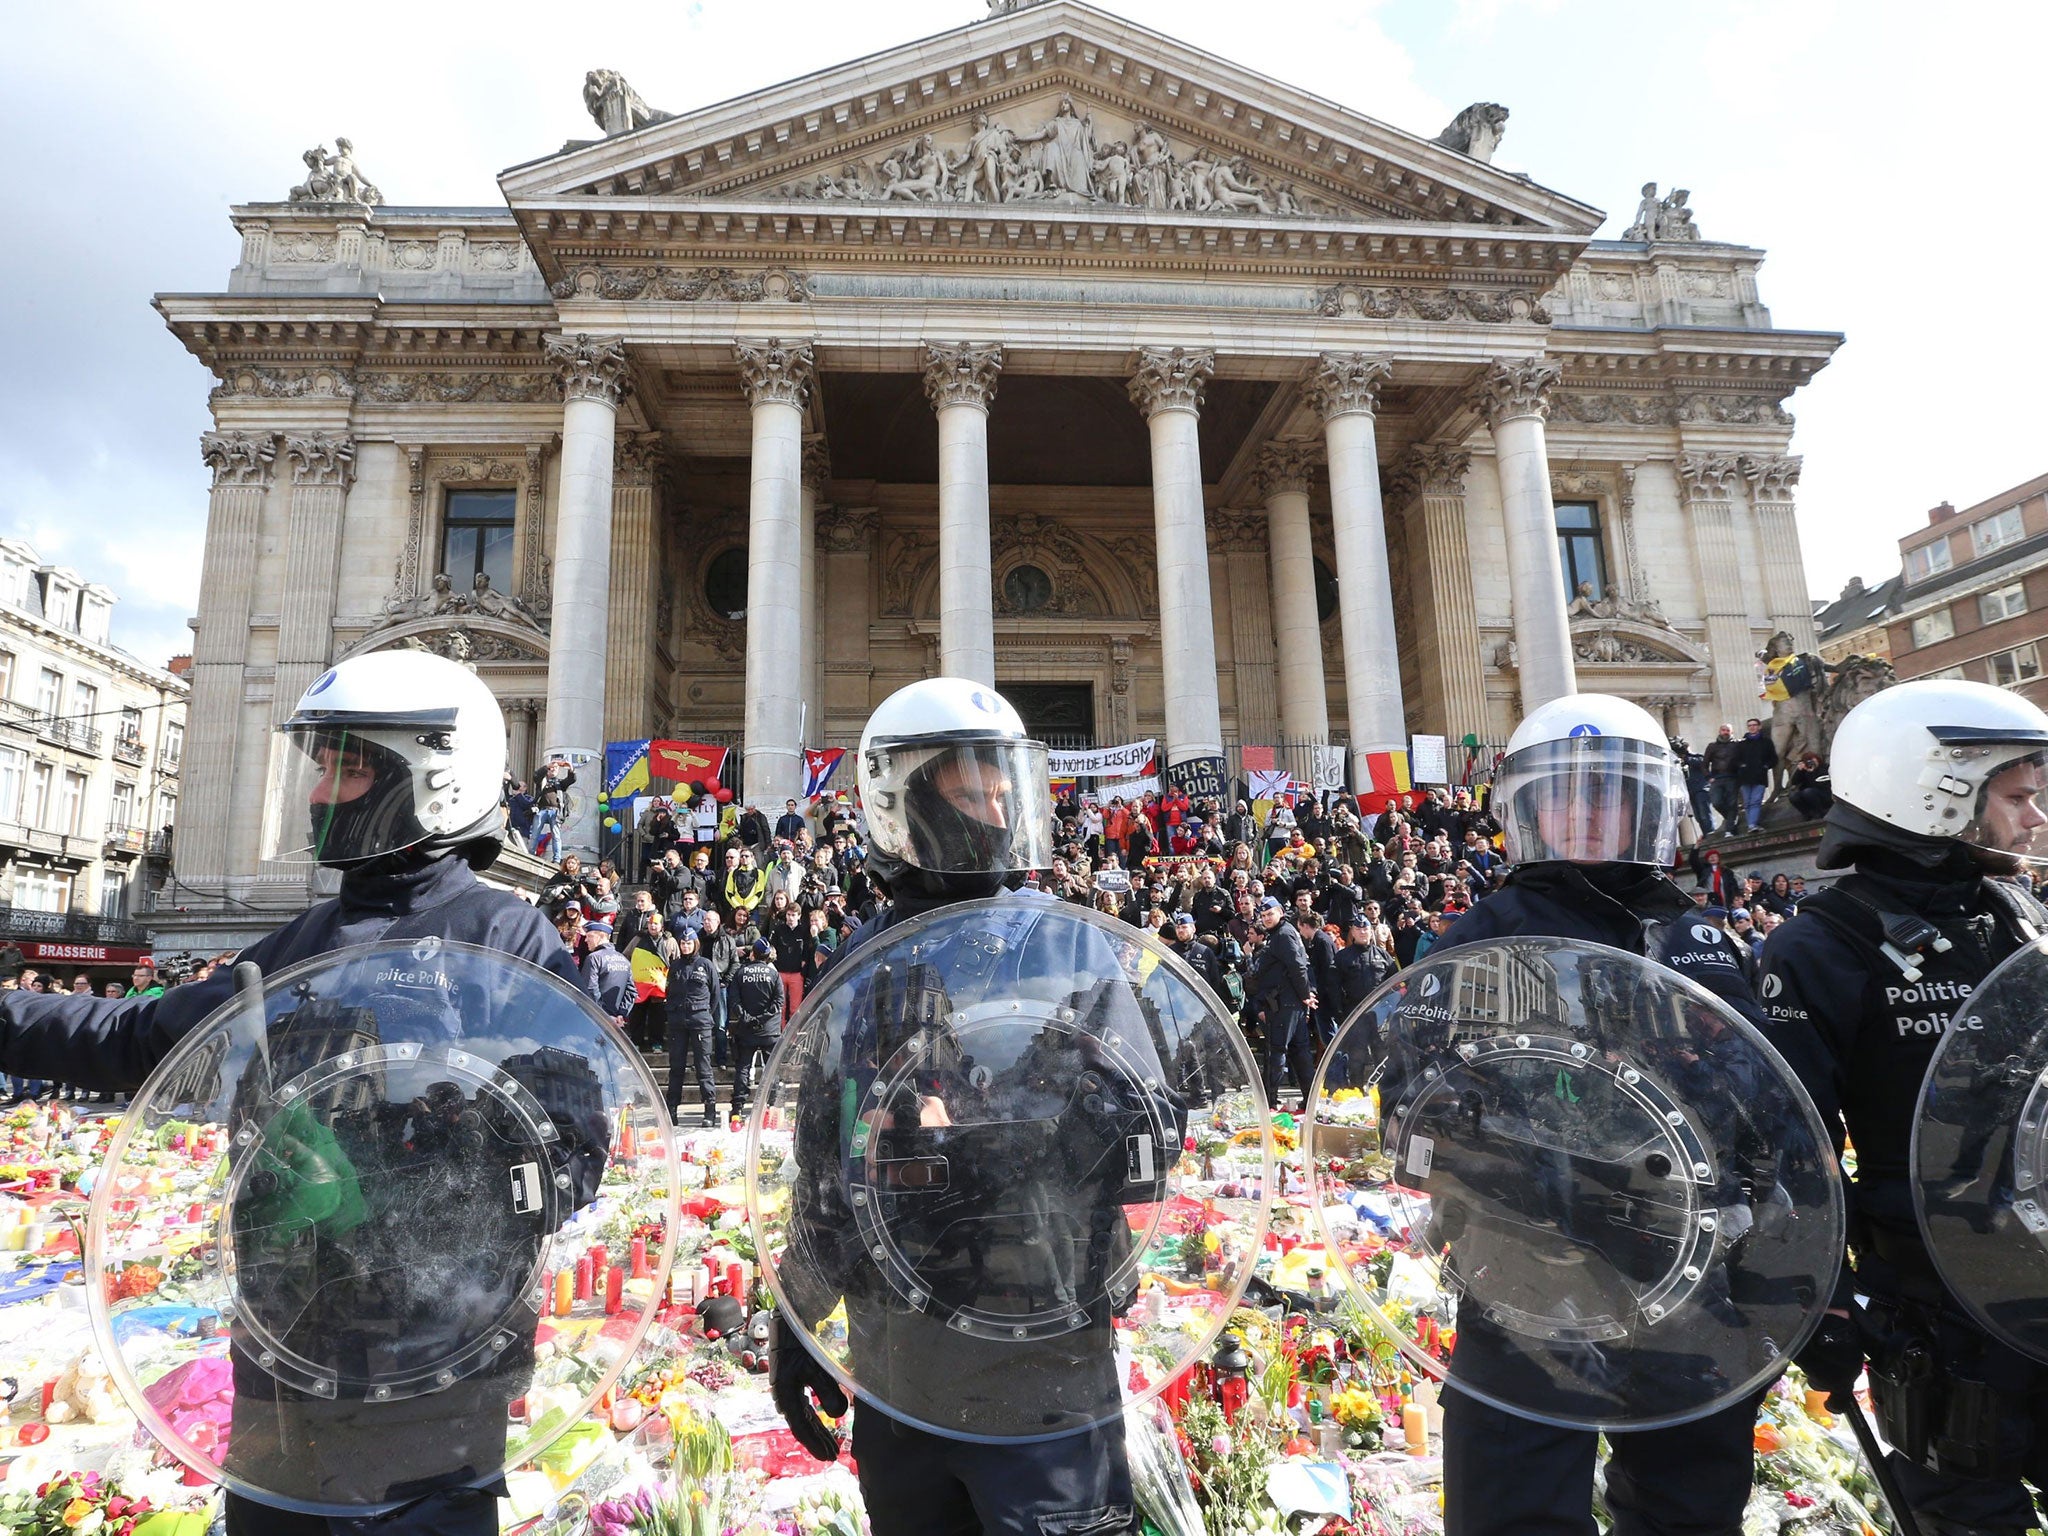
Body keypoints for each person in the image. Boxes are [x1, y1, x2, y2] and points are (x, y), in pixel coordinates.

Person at [0, 650, 587, 1536]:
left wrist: (389, 1204)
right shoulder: (302, 940)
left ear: (434, 773)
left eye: (346, 767)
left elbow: (568, 1156)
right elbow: (136, 1038)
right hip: (282, 1364)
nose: (317, 794)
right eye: (321, 765)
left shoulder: (506, 939)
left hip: (430, 1383)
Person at [769, 678, 1147, 1536]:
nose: (999, 801)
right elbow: (821, 1163)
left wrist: (987, 1139)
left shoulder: (1066, 938)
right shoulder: (862, 959)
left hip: (1041, 1341)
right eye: (971, 783)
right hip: (898, 1352)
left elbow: (1143, 1124)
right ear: (903, 795)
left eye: (1005, 779)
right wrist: (797, 1314)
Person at [1434, 693, 1773, 1536]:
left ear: (1648, 807)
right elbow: (1418, 1098)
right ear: (1530, 809)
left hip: (1688, 1274)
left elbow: (1763, 1097)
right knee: (1513, 1509)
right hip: (1525, 1273)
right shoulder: (1479, 936)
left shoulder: (1694, 937)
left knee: (1691, 1509)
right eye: (1565, 793)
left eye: (1608, 793)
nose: (1584, 813)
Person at [1758, 680, 2048, 1535]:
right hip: (1937, 1306)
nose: (2036, 820)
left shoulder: (2020, 915)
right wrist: (1818, 1298)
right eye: (2020, 798)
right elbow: (1788, 1150)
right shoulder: (1818, 947)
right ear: (1938, 793)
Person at [1244, 896, 1316, 1104]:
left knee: (1277, 1052)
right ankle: (1309, 1099)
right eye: (1263, 915)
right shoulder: (1279, 934)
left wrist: (1304, 995)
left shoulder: (1283, 935)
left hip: (1285, 1004)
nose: (1266, 918)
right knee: (1299, 1052)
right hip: (1288, 1003)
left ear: (1281, 913)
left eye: (1270, 914)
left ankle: (1269, 1102)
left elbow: (1298, 967)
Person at [663, 929, 723, 1128]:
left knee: (703, 1067)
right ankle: (672, 1109)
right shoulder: (675, 966)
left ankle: (709, 1109)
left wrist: (703, 1014)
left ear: (695, 944)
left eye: (689, 943)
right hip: (678, 1021)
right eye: (683, 943)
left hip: (700, 1021)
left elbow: (715, 996)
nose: (685, 946)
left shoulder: (705, 965)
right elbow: (668, 990)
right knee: (676, 1068)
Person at [726, 938, 786, 1124]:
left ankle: (737, 1110)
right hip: (769, 1031)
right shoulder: (773, 974)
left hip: (747, 1030)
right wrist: (763, 1019)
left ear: (753, 953)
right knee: (771, 1070)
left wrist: (748, 1019)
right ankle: (772, 1109)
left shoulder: (741, 973)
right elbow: (779, 1002)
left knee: (743, 1068)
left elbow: (734, 1001)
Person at [1735, 716, 1778, 832]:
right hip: (1745, 777)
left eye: (1754, 725)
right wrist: (1741, 767)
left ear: (1759, 727)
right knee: (1747, 802)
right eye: (1750, 726)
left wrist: (1765, 766)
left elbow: (1773, 758)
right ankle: (1751, 824)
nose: (1752, 727)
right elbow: (1735, 759)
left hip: (1760, 775)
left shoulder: (1766, 742)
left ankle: (1752, 824)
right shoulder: (1741, 744)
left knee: (1755, 800)